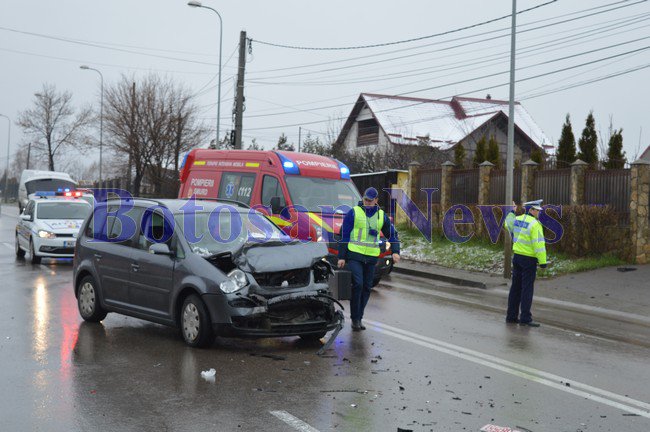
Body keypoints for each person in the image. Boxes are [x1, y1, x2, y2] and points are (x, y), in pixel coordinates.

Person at [337, 187, 400, 331]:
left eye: (370, 200)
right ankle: (354, 318)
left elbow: (392, 234)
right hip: (355, 255)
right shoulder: (354, 212)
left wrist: (395, 251)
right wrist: (341, 256)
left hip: (371, 257)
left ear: (376, 200)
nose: (367, 202)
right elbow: (344, 234)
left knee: (366, 287)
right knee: (358, 284)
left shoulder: (381, 216)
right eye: (365, 199)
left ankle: (359, 318)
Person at [504, 199, 547, 327]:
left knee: (515, 288)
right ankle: (525, 318)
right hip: (529, 260)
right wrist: (543, 262)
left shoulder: (517, 219)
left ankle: (511, 316)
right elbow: (539, 245)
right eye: (537, 210)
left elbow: (507, 224)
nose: (538, 213)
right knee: (527, 289)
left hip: (517, 257)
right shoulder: (535, 224)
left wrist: (512, 211)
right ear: (531, 210)